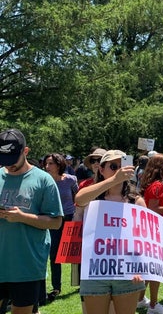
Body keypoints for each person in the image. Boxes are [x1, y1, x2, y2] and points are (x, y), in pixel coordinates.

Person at [0, 129, 64, 314]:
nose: (9, 165)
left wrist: (22, 217)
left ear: (25, 151)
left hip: (26, 266)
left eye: (13, 159)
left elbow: (56, 222)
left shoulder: (43, 180)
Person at [74, 150, 146, 314]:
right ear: (101, 170)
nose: (119, 170)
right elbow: (79, 199)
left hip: (128, 272)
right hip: (95, 271)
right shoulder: (93, 197)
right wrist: (115, 179)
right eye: (113, 166)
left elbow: (143, 237)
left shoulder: (136, 200)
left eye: (123, 166)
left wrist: (139, 267)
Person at [137, 154, 163, 314]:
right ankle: (153, 305)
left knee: (148, 268)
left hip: (154, 230)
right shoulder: (158, 186)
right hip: (158, 231)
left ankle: (140, 300)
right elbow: (152, 209)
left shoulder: (155, 185)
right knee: (156, 269)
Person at [43, 153, 79, 303]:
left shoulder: (70, 180)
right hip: (53, 220)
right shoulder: (44, 181)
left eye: (50, 163)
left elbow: (78, 197)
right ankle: (56, 287)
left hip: (69, 218)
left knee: (74, 252)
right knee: (54, 254)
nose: (47, 166)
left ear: (59, 165)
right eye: (46, 163)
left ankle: (81, 282)